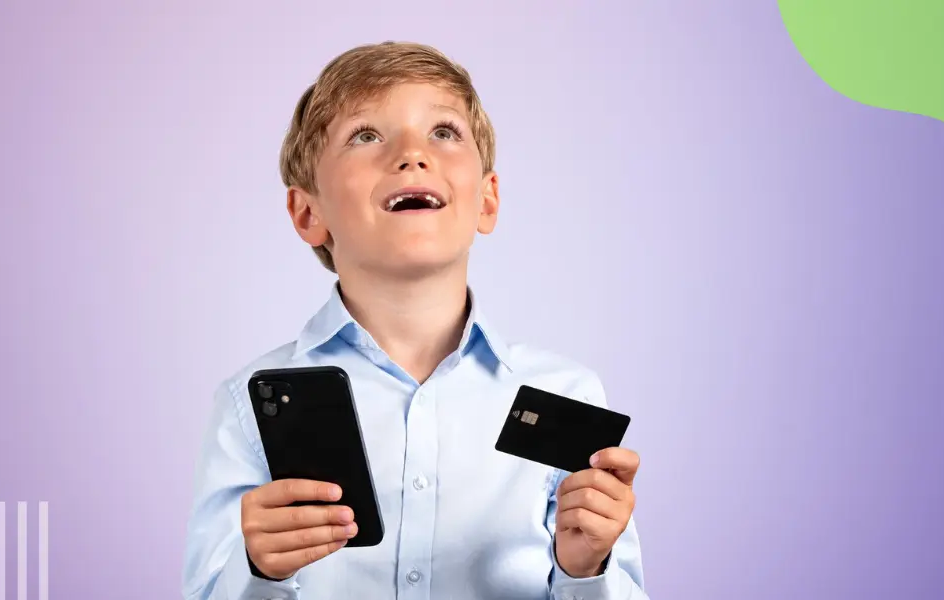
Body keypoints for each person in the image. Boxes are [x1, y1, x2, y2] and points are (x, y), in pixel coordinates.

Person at [182, 41, 648, 600]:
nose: (412, 154)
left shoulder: (565, 392)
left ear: (487, 199)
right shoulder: (246, 406)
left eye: (443, 132)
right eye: (366, 135)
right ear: (309, 213)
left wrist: (583, 571)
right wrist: (260, 573)